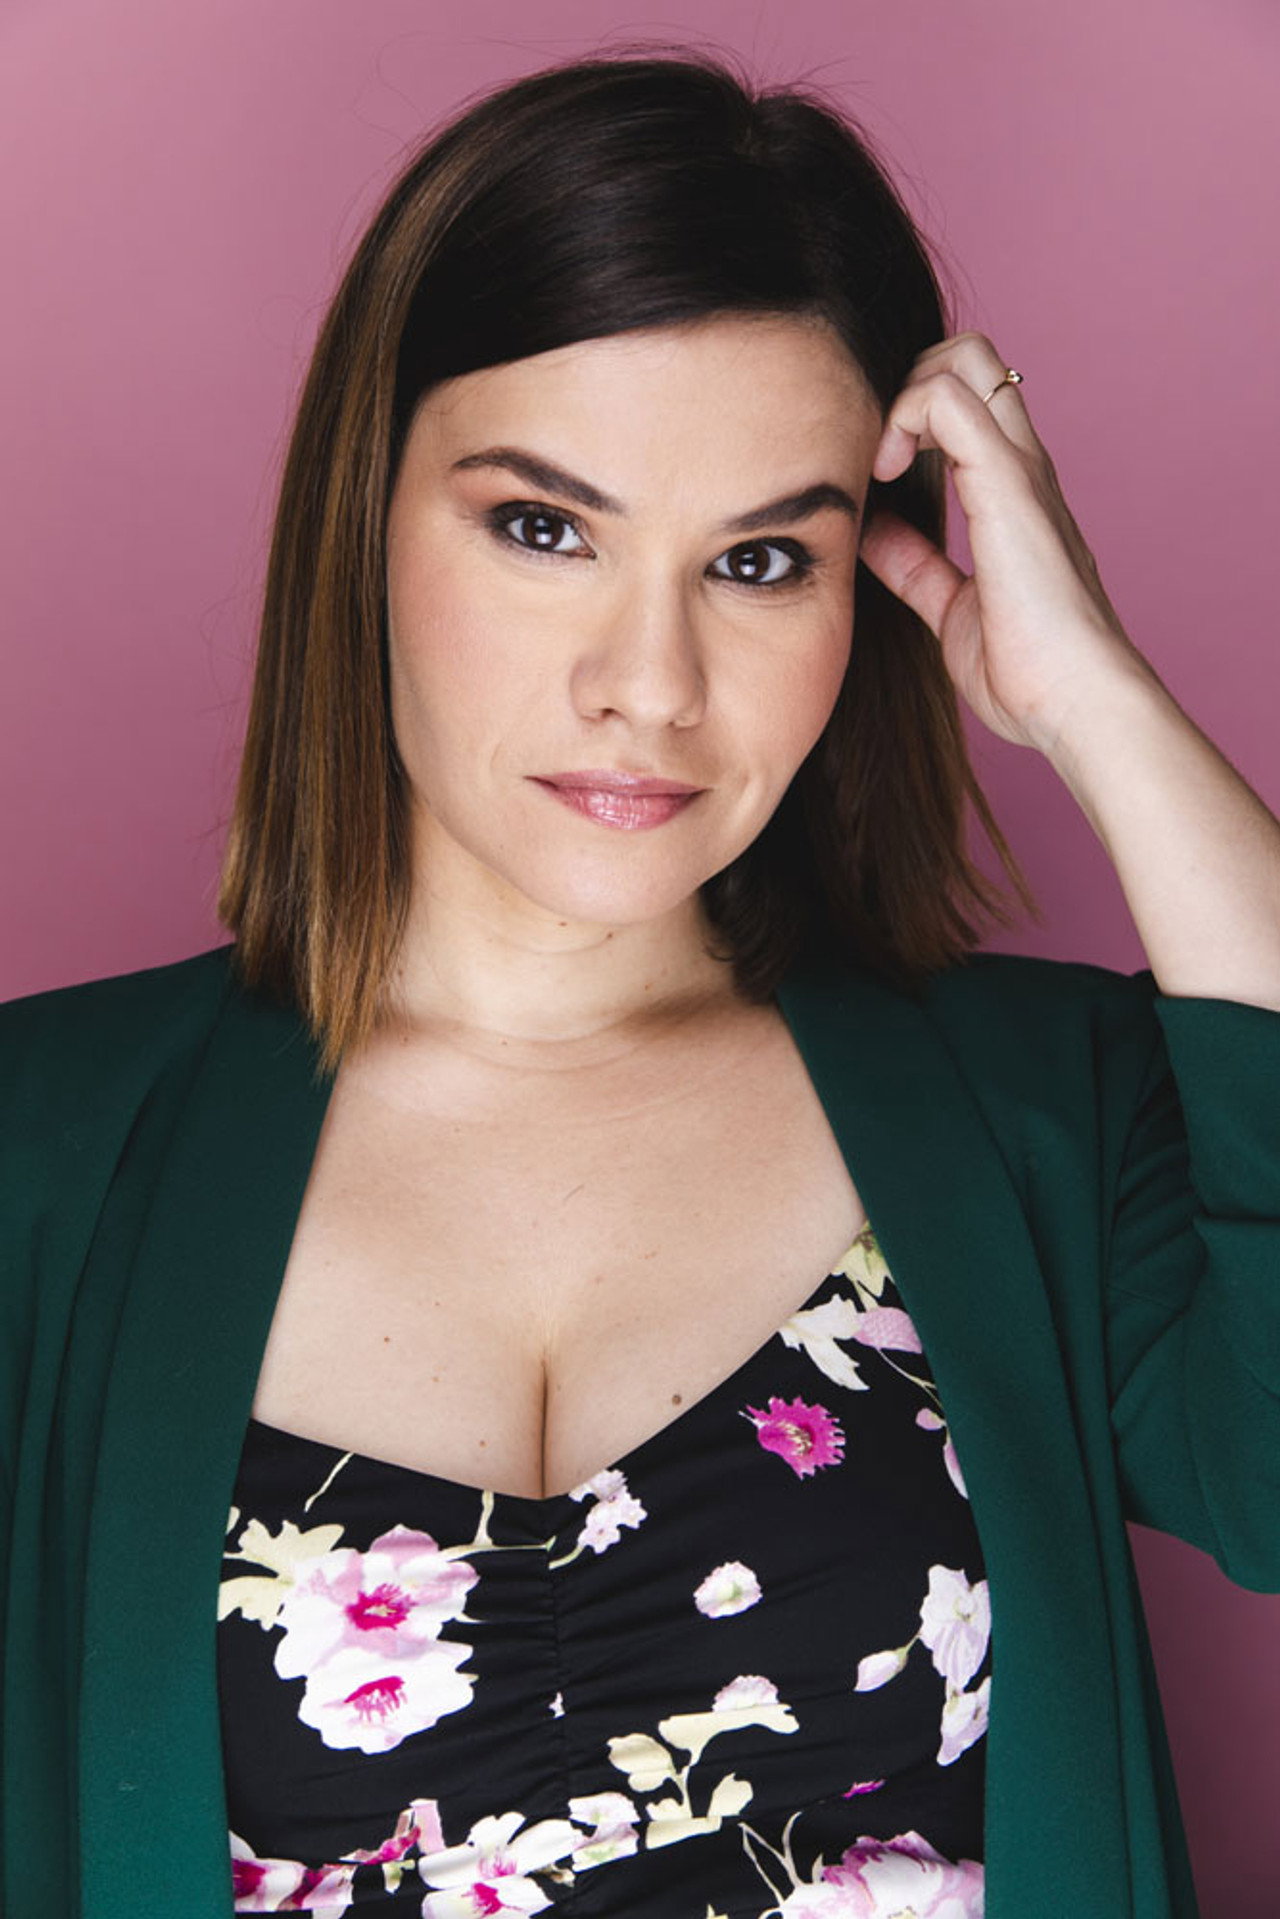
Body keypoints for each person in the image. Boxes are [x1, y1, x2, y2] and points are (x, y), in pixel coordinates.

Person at [2, 44, 1277, 1919]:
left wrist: (1098, 699)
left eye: (759, 560)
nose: (652, 685)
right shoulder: (42, 1159)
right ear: (366, 512)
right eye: (545, 528)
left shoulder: (1043, 1118)